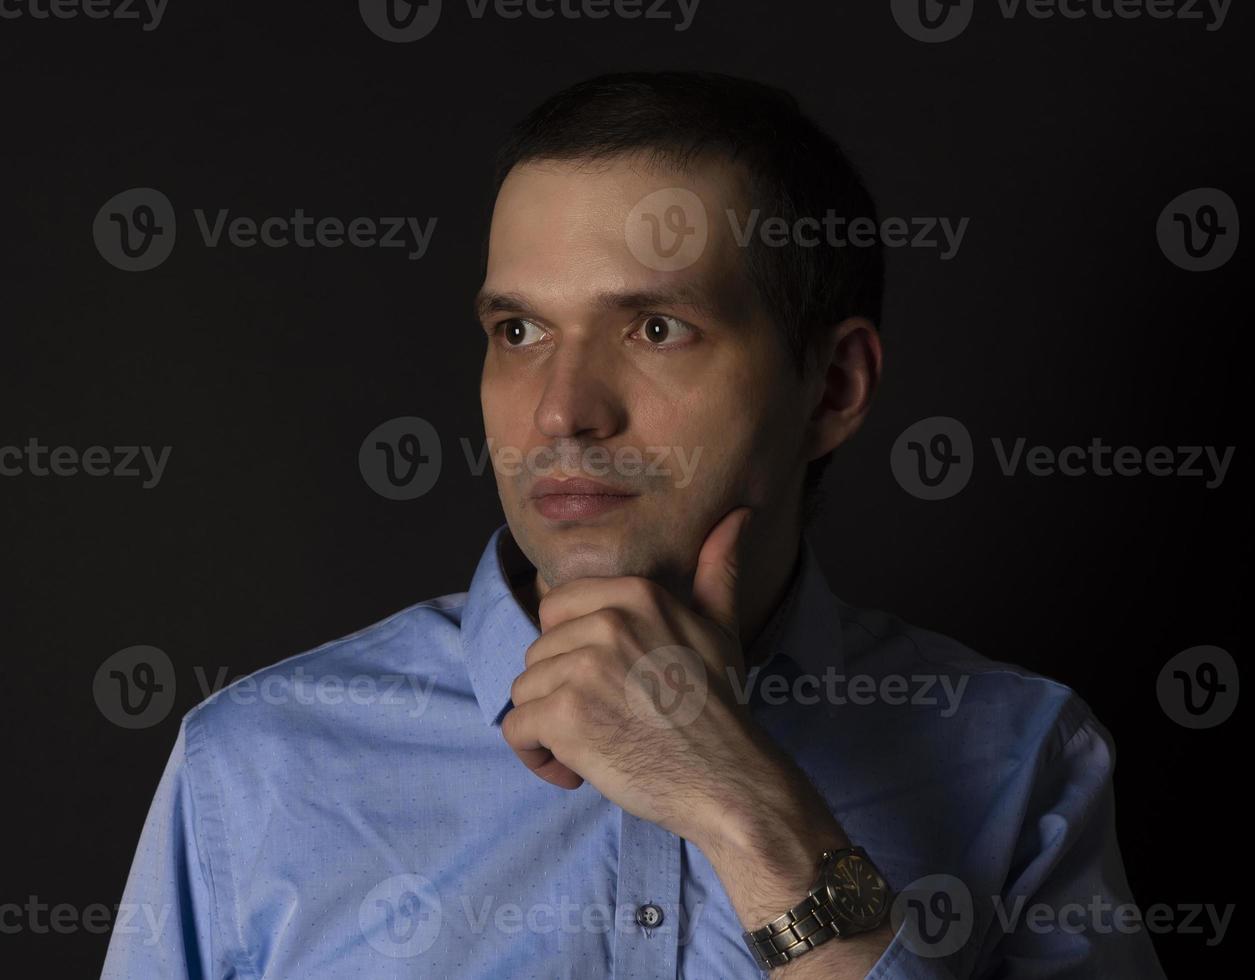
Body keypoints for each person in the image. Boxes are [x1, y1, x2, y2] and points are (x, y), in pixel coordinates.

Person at [103, 71, 1166, 978]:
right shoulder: (254, 766)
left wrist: (747, 810)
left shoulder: (1023, 759)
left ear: (833, 385)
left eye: (656, 326)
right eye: (517, 328)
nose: (562, 409)